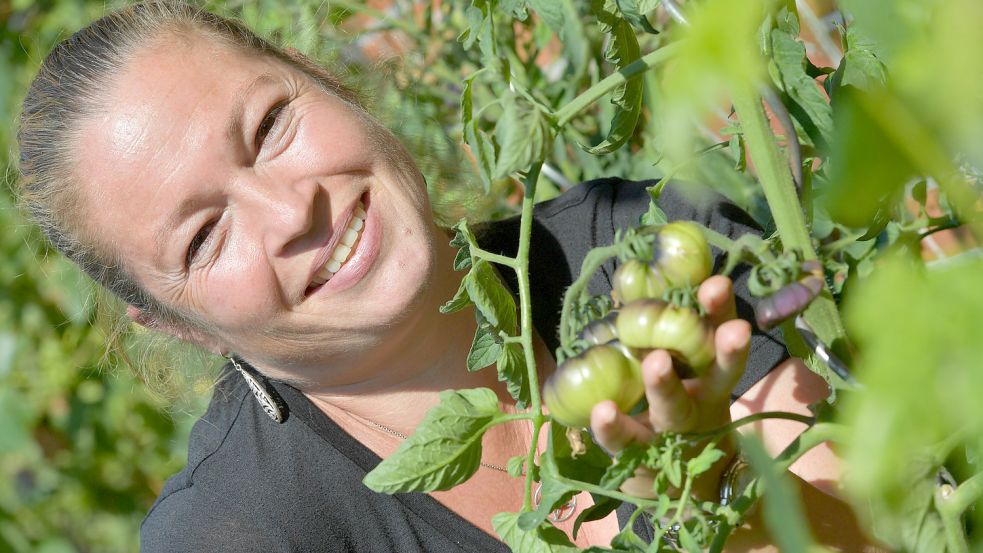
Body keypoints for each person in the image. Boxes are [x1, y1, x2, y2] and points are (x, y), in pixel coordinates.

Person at [16, 2, 879, 551]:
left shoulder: (632, 247)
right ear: (176, 322)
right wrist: (672, 496)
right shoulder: (240, 536)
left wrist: (714, 477)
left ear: (324, 80)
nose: (293, 213)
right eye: (206, 236)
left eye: (272, 124)